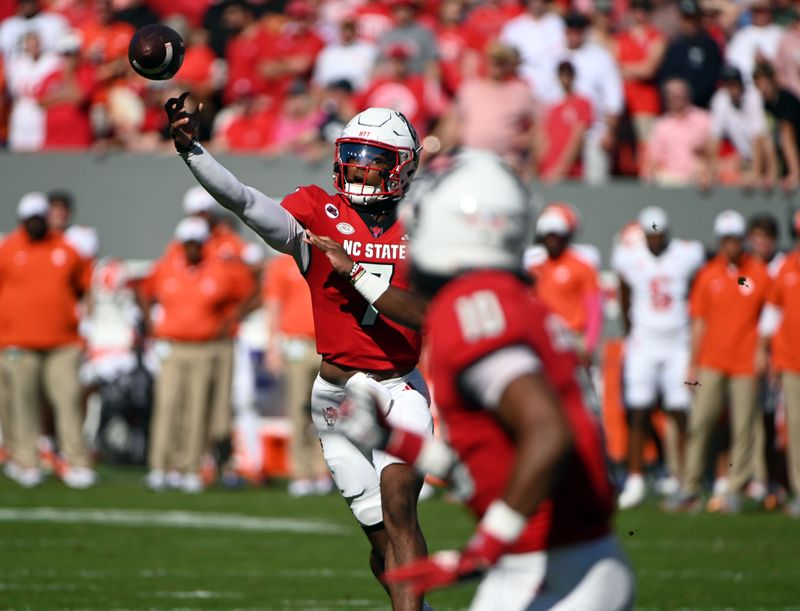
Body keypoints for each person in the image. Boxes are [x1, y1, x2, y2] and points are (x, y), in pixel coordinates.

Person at [164, 93, 434, 611]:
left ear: (402, 166)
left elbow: (426, 314)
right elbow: (244, 201)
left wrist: (352, 271)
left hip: (397, 388)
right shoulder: (317, 209)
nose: (359, 167)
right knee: (383, 551)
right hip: (335, 397)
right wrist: (192, 149)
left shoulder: (424, 222)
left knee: (402, 508)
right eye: (353, 154)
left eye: (374, 159)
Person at [335, 150, 635, 610]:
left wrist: (482, 551)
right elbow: (480, 469)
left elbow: (548, 432)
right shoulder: (511, 300)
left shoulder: (475, 309)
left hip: (555, 568)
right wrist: (392, 438)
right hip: (561, 560)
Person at [665, 210, 771, 513]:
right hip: (712, 360)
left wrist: (763, 351)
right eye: (725, 240)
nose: (730, 245)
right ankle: (690, 485)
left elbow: (766, 313)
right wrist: (692, 362)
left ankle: (736, 487)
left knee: (743, 429)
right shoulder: (708, 274)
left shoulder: (757, 273)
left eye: (735, 239)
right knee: (700, 423)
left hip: (745, 361)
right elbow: (699, 322)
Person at [138, 217, 249, 493]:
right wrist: (151, 326)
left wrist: (231, 319)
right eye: (187, 243)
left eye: (196, 244)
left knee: (197, 409)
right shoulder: (166, 267)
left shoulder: (220, 269)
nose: (191, 249)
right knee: (167, 406)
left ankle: (190, 467)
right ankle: (159, 466)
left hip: (203, 347)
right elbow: (142, 290)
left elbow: (248, 290)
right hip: (173, 347)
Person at [0, 192, 96, 489]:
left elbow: (85, 286)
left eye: (39, 218)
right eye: (30, 220)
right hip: (17, 340)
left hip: (63, 341)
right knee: (22, 402)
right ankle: (26, 460)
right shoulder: (7, 250)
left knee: (68, 399)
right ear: (21, 221)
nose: (35, 224)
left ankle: (76, 461)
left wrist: (85, 321)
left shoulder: (67, 249)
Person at [612, 206, 705, 509]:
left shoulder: (685, 254)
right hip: (645, 341)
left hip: (678, 342)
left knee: (680, 408)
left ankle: (683, 475)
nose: (654, 242)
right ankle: (636, 477)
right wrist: (632, 333)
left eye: (658, 236)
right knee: (638, 408)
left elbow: (697, 285)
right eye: (650, 236)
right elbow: (624, 294)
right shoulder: (629, 257)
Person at [263, 254, 332, 496]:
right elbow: (274, 305)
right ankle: (301, 472)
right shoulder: (281, 264)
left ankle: (323, 470)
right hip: (297, 345)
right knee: (298, 409)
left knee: (327, 411)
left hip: (328, 344)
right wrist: (272, 345)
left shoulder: (327, 258)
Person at [757, 208, 800, 518]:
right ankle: (795, 488)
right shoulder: (786, 268)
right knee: (793, 429)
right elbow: (772, 313)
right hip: (790, 360)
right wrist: (764, 351)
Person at [527, 204, 602, 367]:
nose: (552, 242)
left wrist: (588, 345)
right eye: (548, 237)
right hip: (544, 339)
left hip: (574, 339)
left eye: (556, 237)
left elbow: (594, 308)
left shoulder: (582, 266)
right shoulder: (534, 268)